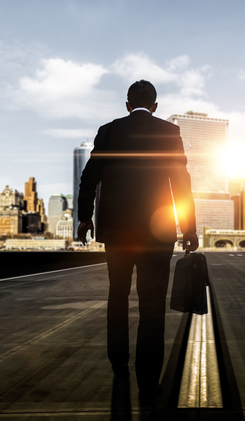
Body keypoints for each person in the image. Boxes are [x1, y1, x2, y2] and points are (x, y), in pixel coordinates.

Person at [77, 79, 198, 401]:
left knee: (117, 296)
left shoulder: (108, 130)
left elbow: (89, 178)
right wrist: (189, 228)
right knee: (152, 305)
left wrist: (84, 218)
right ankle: (147, 379)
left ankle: (119, 363)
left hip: (116, 232)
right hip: (157, 233)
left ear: (127, 104)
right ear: (155, 106)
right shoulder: (169, 133)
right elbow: (181, 184)